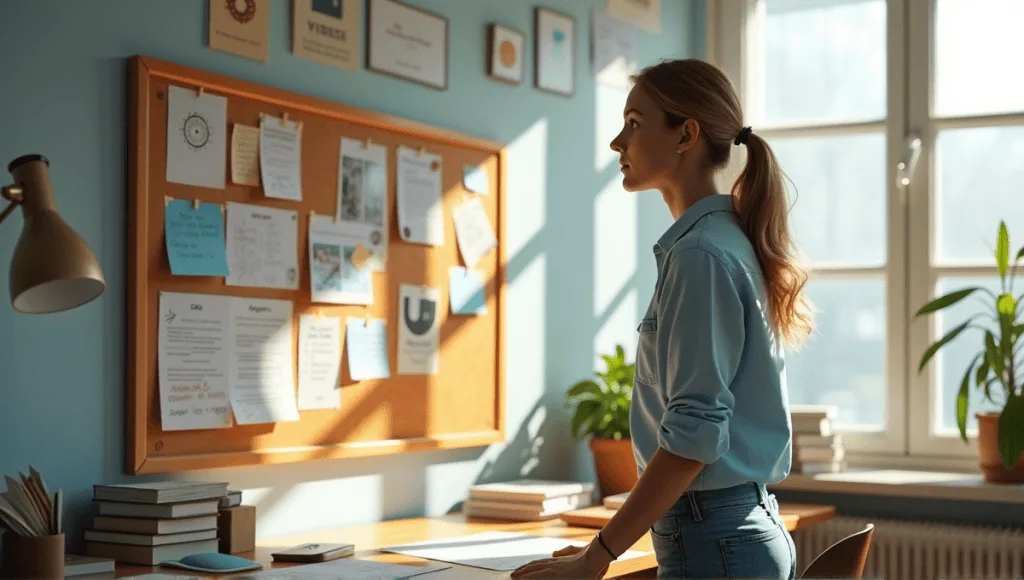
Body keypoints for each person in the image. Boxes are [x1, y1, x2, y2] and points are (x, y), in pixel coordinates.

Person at [511, 58, 814, 580]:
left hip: (716, 542)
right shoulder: (717, 243)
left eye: (634, 123)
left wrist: (596, 556)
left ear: (685, 135)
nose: (617, 143)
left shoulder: (700, 255)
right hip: (725, 533)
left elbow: (693, 438)